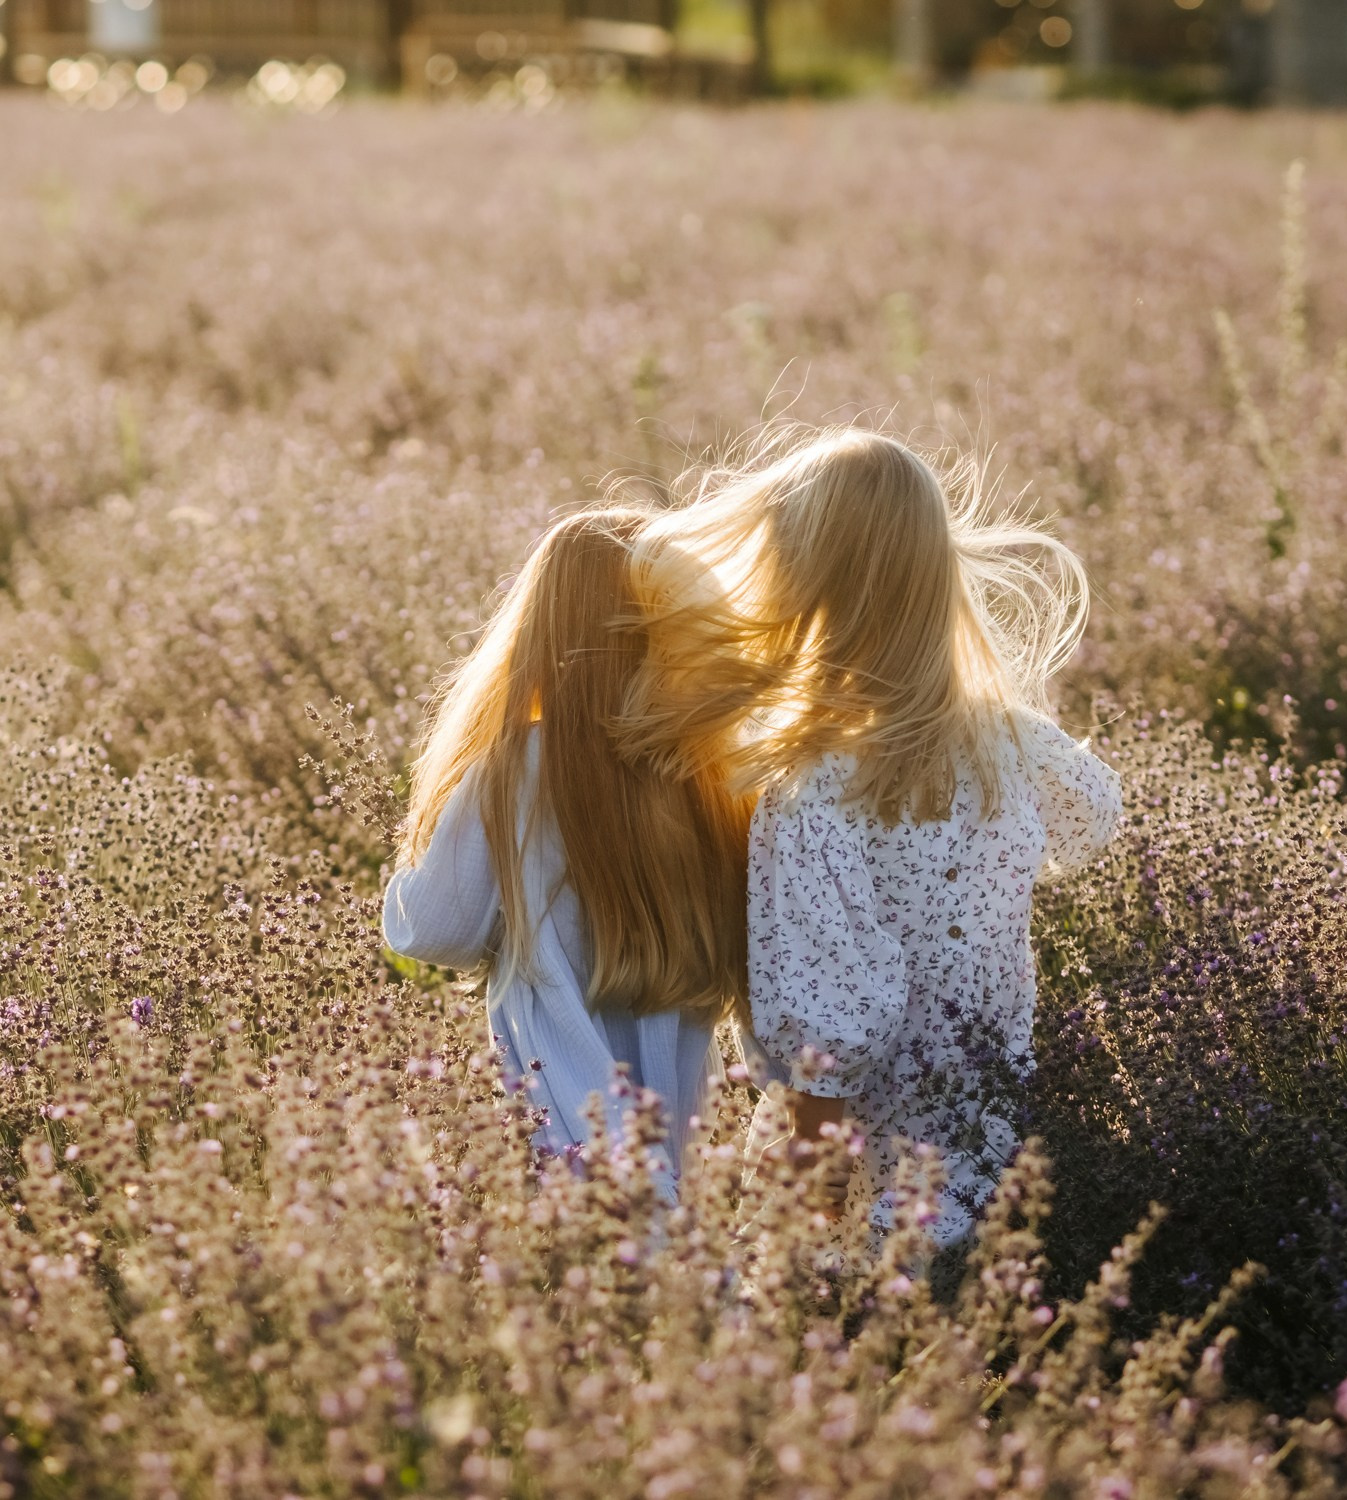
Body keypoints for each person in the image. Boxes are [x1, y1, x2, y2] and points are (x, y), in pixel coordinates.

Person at [625, 426, 1121, 1246]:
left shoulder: (817, 784)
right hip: (995, 1144)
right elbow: (1093, 819)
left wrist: (803, 1225)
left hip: (872, 1177)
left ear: (803, 585)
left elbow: (835, 1036)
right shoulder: (1016, 744)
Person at [380, 508, 752, 1187]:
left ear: (540, 632)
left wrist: (411, 859)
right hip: (684, 1129)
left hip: (563, 1128)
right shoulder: (707, 773)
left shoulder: (513, 769)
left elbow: (432, 930)